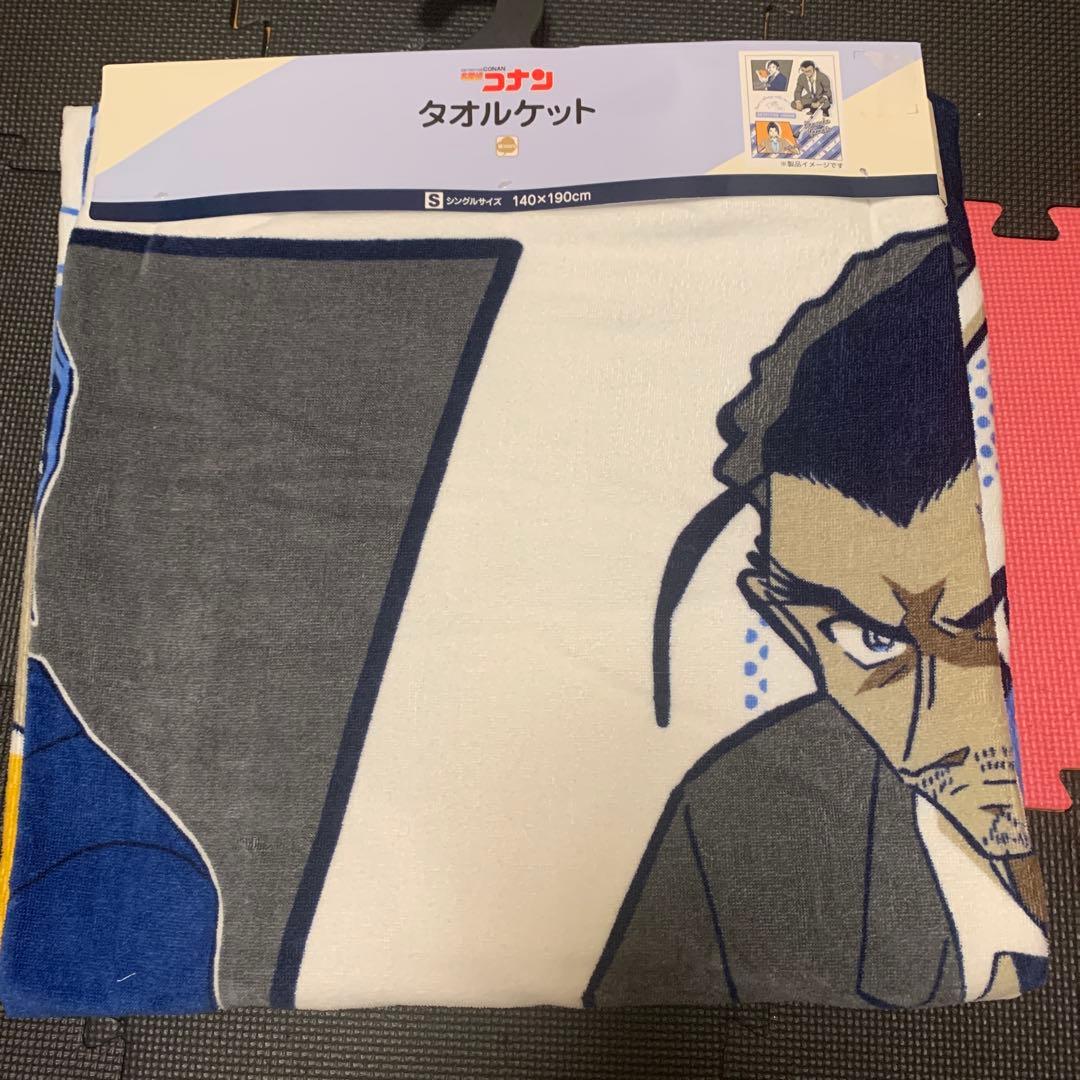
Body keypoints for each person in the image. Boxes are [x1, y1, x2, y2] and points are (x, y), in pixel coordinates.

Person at [585, 228, 1048, 1009]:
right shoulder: (737, 813)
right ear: (786, 616)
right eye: (868, 641)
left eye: (976, 625)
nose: (935, 726)